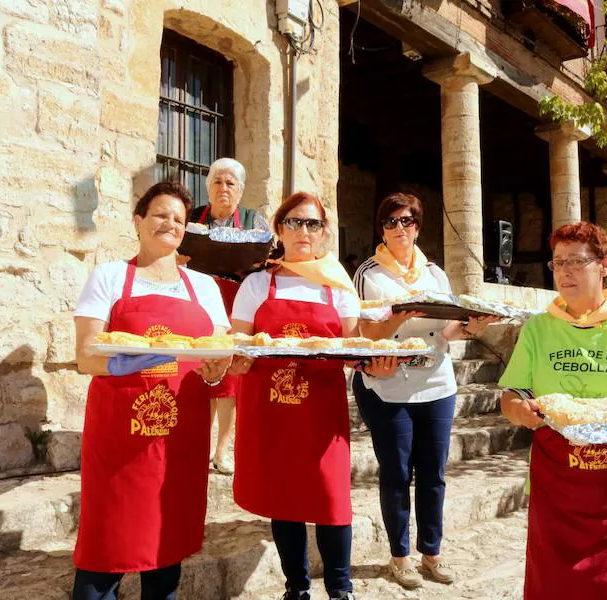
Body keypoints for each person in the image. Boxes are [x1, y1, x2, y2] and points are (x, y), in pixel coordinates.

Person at [226, 192, 396, 600]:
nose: (305, 231)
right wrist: (235, 359)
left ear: (324, 233)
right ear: (279, 229)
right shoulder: (256, 283)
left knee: (331, 500)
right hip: (270, 412)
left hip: (320, 414)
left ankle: (341, 589)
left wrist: (375, 362)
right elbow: (238, 344)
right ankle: (296, 588)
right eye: (296, 222)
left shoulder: (336, 287)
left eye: (314, 224)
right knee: (283, 500)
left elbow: (353, 348)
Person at [72, 181, 232, 600]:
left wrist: (217, 373)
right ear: (139, 220)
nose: (170, 224)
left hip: (181, 436)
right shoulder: (109, 276)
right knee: (103, 553)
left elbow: (216, 356)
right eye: (161, 214)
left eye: (179, 219)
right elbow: (86, 356)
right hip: (119, 440)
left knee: (166, 549)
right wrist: (125, 361)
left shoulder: (205, 287)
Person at [498, 221, 607, 600]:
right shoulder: (538, 329)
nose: (565, 272)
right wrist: (518, 411)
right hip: (558, 485)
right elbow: (510, 394)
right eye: (558, 263)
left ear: (604, 266)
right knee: (553, 585)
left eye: (577, 261)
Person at [351, 193, 499, 589]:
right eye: (391, 222)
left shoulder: (435, 274)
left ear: (418, 226)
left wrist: (470, 327)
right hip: (388, 386)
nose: (400, 228)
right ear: (381, 228)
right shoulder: (371, 273)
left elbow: (444, 330)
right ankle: (399, 557)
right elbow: (366, 332)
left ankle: (431, 553)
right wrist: (400, 316)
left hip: (436, 383)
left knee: (433, 474)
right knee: (397, 473)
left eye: (407, 221)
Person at [186, 158, 270, 475]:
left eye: (230, 183)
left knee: (230, 377)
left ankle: (223, 449)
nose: (223, 188)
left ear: (241, 190)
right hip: (201, 300)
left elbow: (268, 258)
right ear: (208, 188)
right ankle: (201, 444)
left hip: (238, 301)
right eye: (217, 182)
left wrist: (254, 263)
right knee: (200, 369)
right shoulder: (193, 218)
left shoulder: (253, 220)